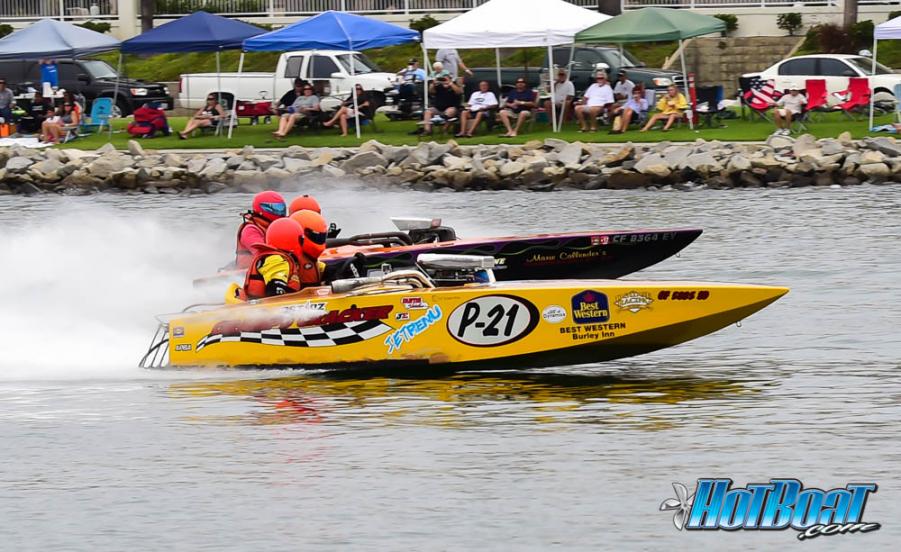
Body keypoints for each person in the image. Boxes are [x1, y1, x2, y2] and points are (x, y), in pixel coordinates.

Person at [240, 218, 306, 300]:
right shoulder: (276, 260)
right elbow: (275, 290)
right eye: (301, 240)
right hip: (263, 304)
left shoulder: (285, 259)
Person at [234, 191, 287, 269]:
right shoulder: (250, 230)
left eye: (282, 208)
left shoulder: (280, 225)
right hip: (248, 271)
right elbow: (262, 253)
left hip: (273, 265)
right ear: (262, 208)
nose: (280, 212)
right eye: (276, 208)